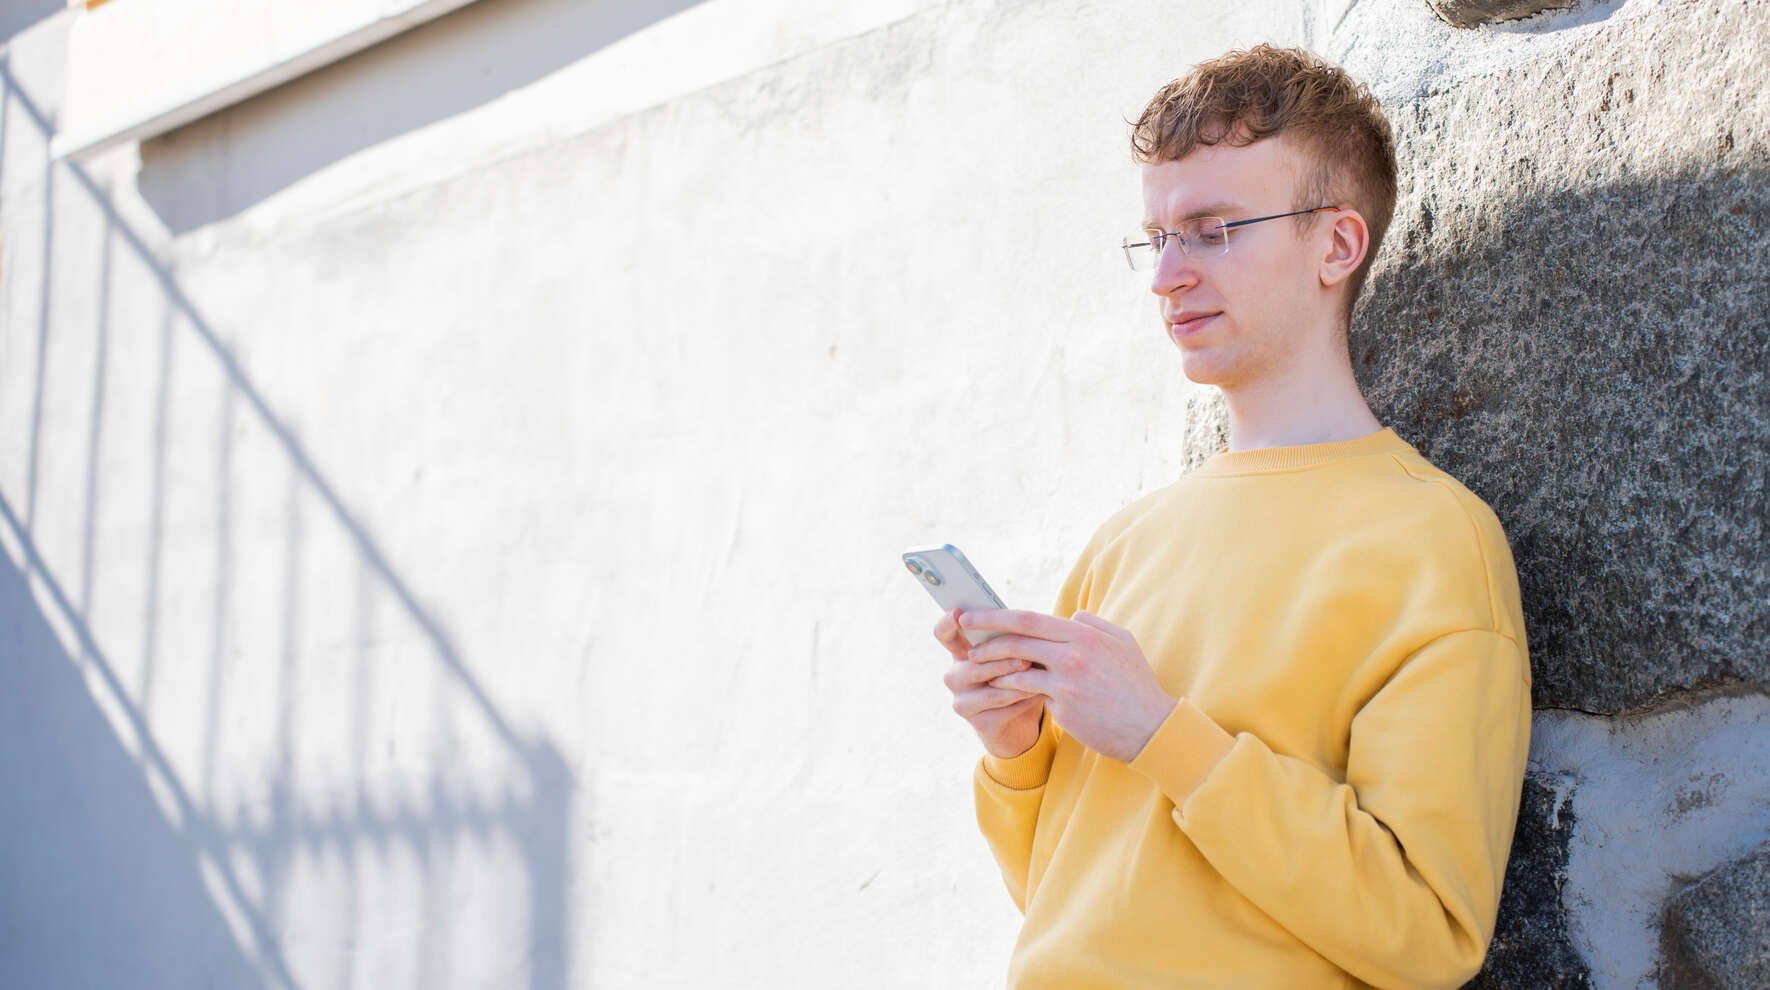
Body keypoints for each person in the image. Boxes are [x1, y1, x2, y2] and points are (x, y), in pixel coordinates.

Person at [932, 43, 1532, 989]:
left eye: (1212, 231)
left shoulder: (1431, 544)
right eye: (1157, 236)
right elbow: (1066, 904)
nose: (1166, 275)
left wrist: (1162, 732)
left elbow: (1426, 933)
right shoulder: (1124, 542)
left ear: (1336, 244)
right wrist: (1016, 760)